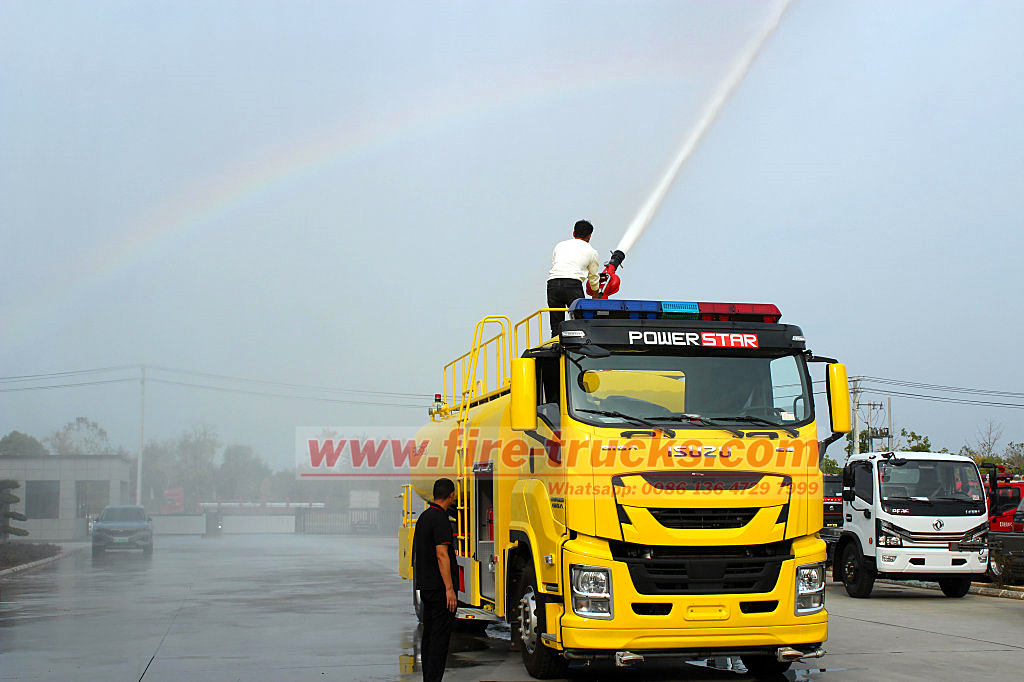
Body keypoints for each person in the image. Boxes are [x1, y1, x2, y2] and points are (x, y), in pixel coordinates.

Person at [414, 478, 459, 682]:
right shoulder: (440, 519)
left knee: (429, 636)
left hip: (426, 587)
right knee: (440, 640)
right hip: (440, 590)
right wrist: (449, 589)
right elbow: (442, 554)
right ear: (451, 495)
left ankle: (428, 679)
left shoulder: (424, 517)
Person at [547, 219, 601, 337]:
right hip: (572, 285)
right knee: (579, 323)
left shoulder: (560, 246)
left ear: (573, 233)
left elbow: (556, 265)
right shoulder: (591, 252)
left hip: (553, 284)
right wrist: (595, 299)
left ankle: (556, 345)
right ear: (589, 236)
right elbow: (593, 279)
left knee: (556, 325)